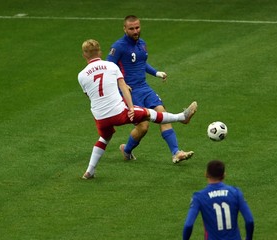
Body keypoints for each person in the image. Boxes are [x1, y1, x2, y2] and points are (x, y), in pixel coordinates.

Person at [78, 39, 197, 179]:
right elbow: (123, 87)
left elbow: (90, 95)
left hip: (100, 116)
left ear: (84, 55)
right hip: (118, 112)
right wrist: (130, 108)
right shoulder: (111, 66)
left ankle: (89, 172)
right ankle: (182, 117)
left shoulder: (81, 75)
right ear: (100, 52)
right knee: (149, 114)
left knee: (104, 138)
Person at [106, 15, 194, 163]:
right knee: (144, 127)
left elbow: (141, 62)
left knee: (162, 114)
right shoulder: (118, 47)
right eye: (131, 29)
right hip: (130, 92)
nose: (135, 31)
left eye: (137, 27)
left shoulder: (142, 44)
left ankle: (176, 152)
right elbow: (108, 68)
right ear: (125, 29)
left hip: (144, 88)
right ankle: (126, 150)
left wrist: (156, 73)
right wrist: (120, 84)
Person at [181, 160, 254, 240]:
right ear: (224, 175)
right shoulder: (236, 193)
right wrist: (248, 239)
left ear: (206, 174)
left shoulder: (199, 197)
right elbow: (249, 220)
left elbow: (188, 224)